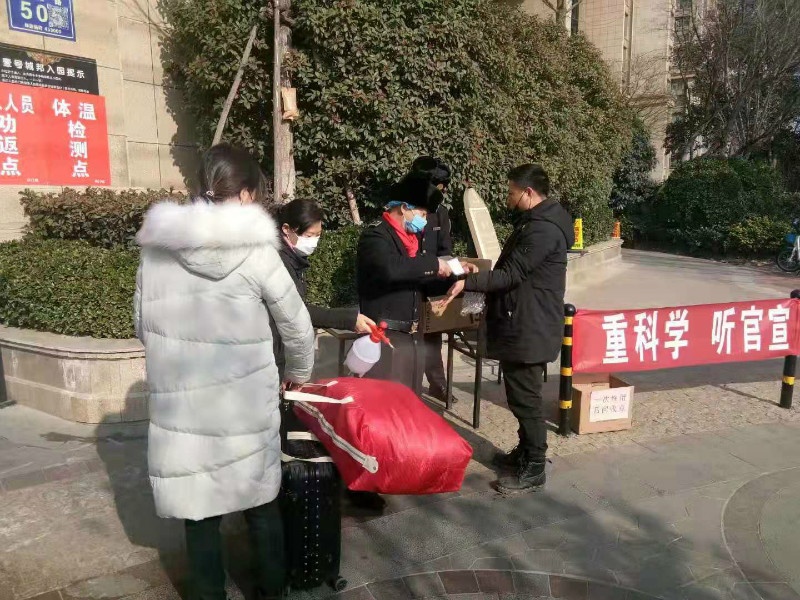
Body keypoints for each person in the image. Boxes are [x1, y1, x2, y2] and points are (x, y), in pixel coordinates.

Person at [134, 143, 315, 600]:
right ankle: (271, 591)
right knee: (260, 504)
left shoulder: (157, 250)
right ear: (248, 193)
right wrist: (298, 373)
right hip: (244, 404)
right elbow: (297, 327)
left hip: (183, 406)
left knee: (199, 513)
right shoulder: (257, 251)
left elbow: (142, 325)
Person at [442, 164, 574, 493]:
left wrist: (467, 282)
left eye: (512, 192)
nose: (508, 197)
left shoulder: (542, 230)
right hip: (526, 320)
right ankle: (524, 453)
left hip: (530, 325)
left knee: (526, 399)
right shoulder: (535, 222)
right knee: (519, 395)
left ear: (528, 192)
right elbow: (514, 270)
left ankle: (535, 466)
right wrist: (478, 274)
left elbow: (511, 275)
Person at [357, 171, 457, 394]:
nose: (425, 220)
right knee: (387, 401)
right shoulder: (375, 237)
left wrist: (454, 278)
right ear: (404, 208)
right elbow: (391, 269)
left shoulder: (411, 241)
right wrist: (434, 263)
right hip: (385, 337)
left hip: (412, 338)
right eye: (422, 213)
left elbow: (420, 279)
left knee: (411, 399)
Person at [272, 198, 376, 378]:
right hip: (272, 355)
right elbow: (295, 311)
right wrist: (349, 319)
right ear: (287, 229)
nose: (314, 242)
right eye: (309, 235)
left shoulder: (293, 258)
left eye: (318, 235)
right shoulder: (278, 262)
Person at [411, 156, 454, 402]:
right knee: (410, 339)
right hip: (407, 283)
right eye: (440, 187)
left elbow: (445, 248)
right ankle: (410, 387)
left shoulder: (441, 213)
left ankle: (438, 384)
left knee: (433, 337)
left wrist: (451, 270)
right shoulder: (403, 210)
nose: (443, 192)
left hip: (432, 285)